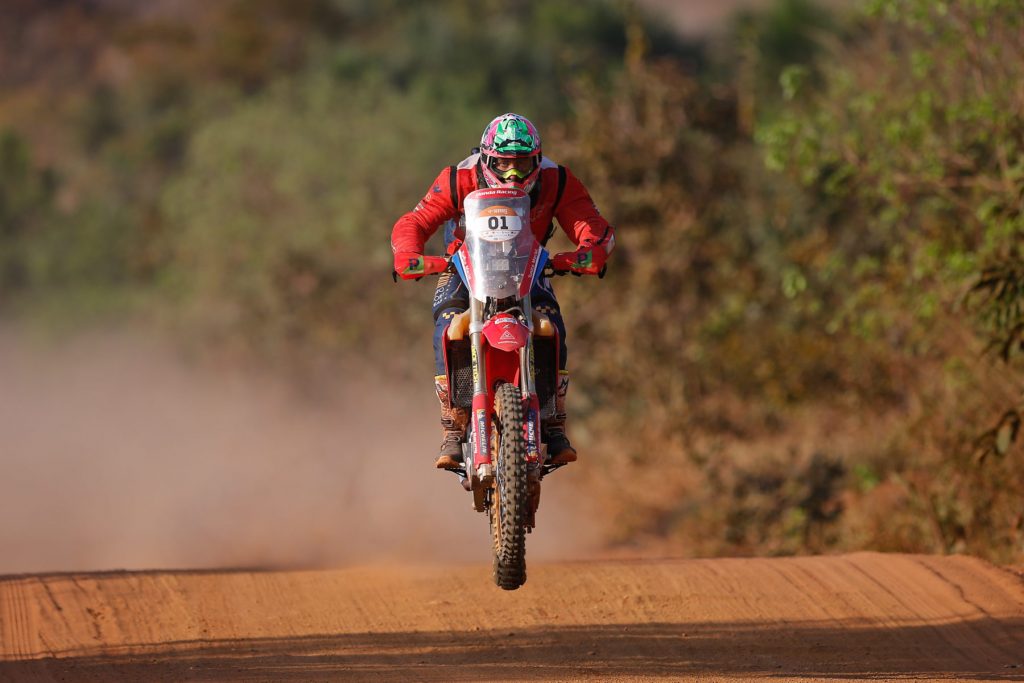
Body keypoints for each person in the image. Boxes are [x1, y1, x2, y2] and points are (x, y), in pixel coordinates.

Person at [391, 112, 614, 469]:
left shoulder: (556, 179)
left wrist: (589, 252)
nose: (512, 174)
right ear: (486, 159)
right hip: (464, 265)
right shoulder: (459, 177)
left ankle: (554, 422)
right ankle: (453, 426)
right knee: (447, 326)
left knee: (551, 324)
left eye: (522, 164)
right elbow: (415, 220)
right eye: (503, 164)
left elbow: (591, 224)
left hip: (528, 264)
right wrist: (408, 253)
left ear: (537, 160)